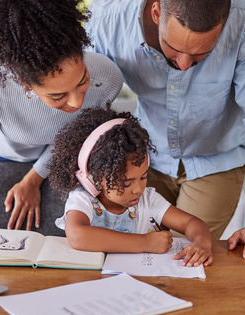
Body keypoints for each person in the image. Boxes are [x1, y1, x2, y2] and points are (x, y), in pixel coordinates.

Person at [85, 0, 245, 262]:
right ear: (156, 11)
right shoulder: (109, 19)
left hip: (217, 159)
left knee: (183, 260)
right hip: (144, 155)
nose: (184, 65)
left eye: (200, 55)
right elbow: (86, 103)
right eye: (174, 50)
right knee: (134, 254)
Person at [0, 0, 123, 242]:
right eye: (58, 95)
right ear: (24, 82)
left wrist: (33, 179)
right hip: (2, 158)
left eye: (81, 81)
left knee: (65, 241)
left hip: (66, 159)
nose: (76, 102)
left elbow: (79, 137)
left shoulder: (107, 78)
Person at [48, 108, 213, 267]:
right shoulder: (83, 199)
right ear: (95, 178)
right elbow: (77, 236)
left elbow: (191, 223)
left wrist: (202, 242)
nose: (138, 189)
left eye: (144, 177)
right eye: (127, 183)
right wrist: (145, 243)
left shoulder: (147, 199)